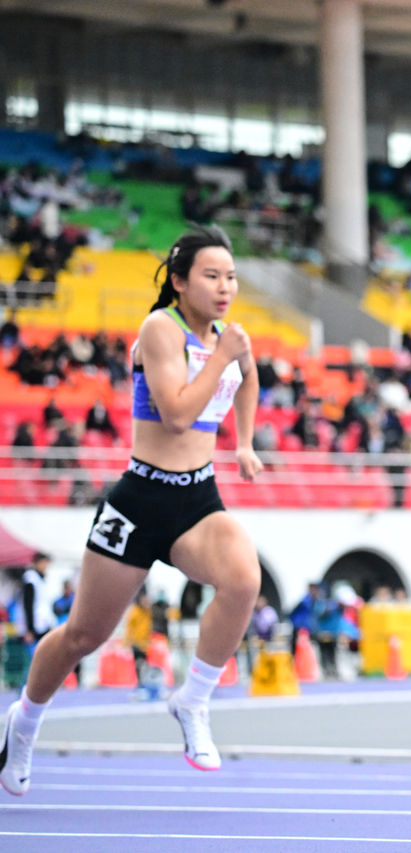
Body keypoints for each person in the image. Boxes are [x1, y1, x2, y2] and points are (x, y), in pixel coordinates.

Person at [2, 225, 263, 797]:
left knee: (244, 579)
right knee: (83, 636)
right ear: (180, 281)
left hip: (197, 498)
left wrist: (244, 442)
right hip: (140, 500)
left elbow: (248, 379)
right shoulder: (159, 329)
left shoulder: (228, 337)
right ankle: (23, 722)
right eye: (212, 276)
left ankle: (192, 701)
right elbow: (177, 415)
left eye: (231, 276)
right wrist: (223, 356)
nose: (225, 287)